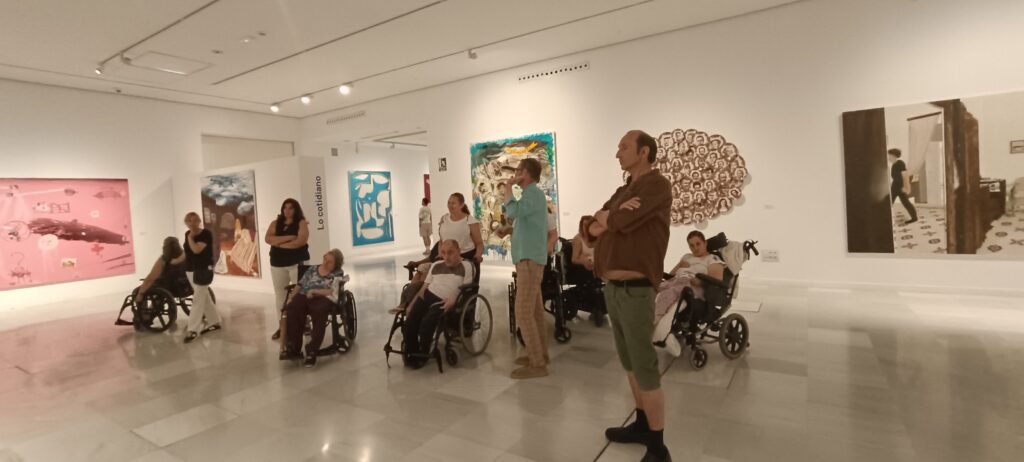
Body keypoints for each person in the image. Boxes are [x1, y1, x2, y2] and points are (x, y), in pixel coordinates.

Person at [583, 130, 673, 462]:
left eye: (623, 147)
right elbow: (590, 227)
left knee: (644, 366)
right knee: (630, 363)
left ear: (644, 151)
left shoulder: (657, 185)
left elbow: (620, 219)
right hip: (613, 289)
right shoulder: (624, 190)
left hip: (636, 291)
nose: (617, 153)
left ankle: (658, 447)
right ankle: (641, 424)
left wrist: (612, 218)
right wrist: (607, 219)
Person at [502, 157, 551, 379]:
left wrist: (508, 188)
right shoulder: (531, 195)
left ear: (526, 173)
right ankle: (540, 354)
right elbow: (527, 224)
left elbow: (513, 212)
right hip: (528, 259)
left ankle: (537, 363)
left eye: (518, 170)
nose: (515, 174)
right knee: (534, 310)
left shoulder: (533, 193)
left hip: (530, 260)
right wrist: (509, 231)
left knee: (522, 311)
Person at [652, 231, 726, 357]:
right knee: (657, 294)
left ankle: (662, 335)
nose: (695, 248)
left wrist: (695, 279)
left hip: (694, 292)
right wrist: (682, 268)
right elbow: (672, 275)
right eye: (691, 245)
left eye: (698, 244)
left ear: (705, 243)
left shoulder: (713, 259)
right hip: (677, 285)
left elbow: (717, 282)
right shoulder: (687, 257)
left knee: (673, 303)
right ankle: (659, 332)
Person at [402, 240, 473, 369]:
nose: (446, 257)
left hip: (444, 300)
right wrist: (412, 304)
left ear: (458, 251)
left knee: (426, 324)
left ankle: (423, 354)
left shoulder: (467, 266)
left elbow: (466, 287)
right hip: (427, 296)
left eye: (450, 253)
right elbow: (424, 288)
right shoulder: (436, 265)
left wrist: (453, 298)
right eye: (443, 253)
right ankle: (411, 352)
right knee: (410, 321)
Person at [280, 248, 345, 368]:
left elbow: (333, 291)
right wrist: (291, 297)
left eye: (330, 262)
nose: (325, 263)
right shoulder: (312, 269)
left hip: (323, 297)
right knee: (292, 308)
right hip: (304, 295)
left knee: (319, 311)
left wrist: (315, 291)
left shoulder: (337, 273)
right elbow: (300, 285)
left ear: (336, 264)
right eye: (325, 259)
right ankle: (293, 348)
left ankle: (312, 351)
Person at [405, 192, 483, 280]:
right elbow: (441, 240)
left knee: (426, 275)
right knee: (420, 273)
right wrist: (440, 254)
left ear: (462, 205)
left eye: (453, 203)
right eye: (448, 203)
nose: (450, 206)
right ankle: (415, 288)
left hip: (463, 258)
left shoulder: (470, 221)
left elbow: (479, 243)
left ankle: (423, 287)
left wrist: (478, 255)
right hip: (445, 256)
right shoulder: (444, 218)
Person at [266, 199, 311, 341]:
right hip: (277, 263)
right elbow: (268, 239)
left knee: (300, 294)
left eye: (290, 208)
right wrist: (290, 237)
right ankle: (282, 326)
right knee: (280, 296)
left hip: (297, 262)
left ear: (295, 209)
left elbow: (301, 241)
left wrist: (279, 243)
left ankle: (304, 324)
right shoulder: (275, 223)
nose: (287, 210)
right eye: (285, 208)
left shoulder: (301, 223)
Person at [183, 212, 222, 344]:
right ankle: (215, 321)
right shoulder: (187, 234)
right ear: (186, 223)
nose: (192, 223)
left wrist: (190, 237)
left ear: (199, 221)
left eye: (195, 220)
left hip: (203, 270)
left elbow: (196, 250)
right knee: (204, 297)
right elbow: (187, 252)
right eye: (189, 221)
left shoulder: (205, 234)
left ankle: (193, 330)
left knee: (198, 300)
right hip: (190, 270)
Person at [889, 148, 918, 225]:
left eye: (889, 155)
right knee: (903, 202)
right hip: (895, 186)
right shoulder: (894, 164)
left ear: (894, 156)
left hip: (899, 187)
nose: (888, 157)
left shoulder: (900, 163)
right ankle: (914, 217)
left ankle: (914, 218)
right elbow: (896, 177)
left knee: (892, 202)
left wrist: (906, 187)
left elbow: (905, 176)